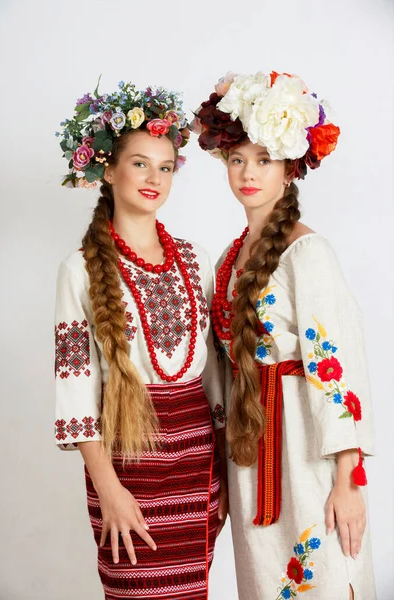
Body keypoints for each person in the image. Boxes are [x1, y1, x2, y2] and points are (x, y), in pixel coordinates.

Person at [193, 71, 376, 600]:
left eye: (264, 161)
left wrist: (347, 481)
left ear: (289, 168)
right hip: (251, 456)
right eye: (237, 160)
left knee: (322, 577)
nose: (248, 173)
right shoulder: (228, 260)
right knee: (262, 581)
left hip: (306, 453)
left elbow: (338, 367)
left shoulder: (307, 253)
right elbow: (220, 372)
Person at [54, 78, 227, 600]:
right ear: (107, 169)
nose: (155, 177)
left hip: (197, 464)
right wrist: (108, 489)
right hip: (126, 465)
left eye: (166, 166)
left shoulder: (196, 260)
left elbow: (215, 374)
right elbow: (75, 388)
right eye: (139, 163)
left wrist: (224, 466)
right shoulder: (79, 269)